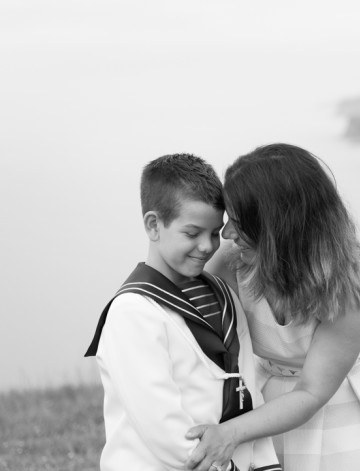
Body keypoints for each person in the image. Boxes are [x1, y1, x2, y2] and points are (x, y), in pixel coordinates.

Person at [185, 144, 360, 471]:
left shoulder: (347, 280)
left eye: (239, 220)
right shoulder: (231, 265)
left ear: (278, 225)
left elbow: (312, 392)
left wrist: (231, 432)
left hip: (343, 404)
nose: (227, 233)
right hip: (268, 404)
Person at [84, 153, 280, 471]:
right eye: (192, 233)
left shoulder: (225, 296)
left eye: (215, 233)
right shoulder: (132, 313)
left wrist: (264, 464)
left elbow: (249, 392)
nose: (206, 246)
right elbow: (163, 427)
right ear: (153, 225)